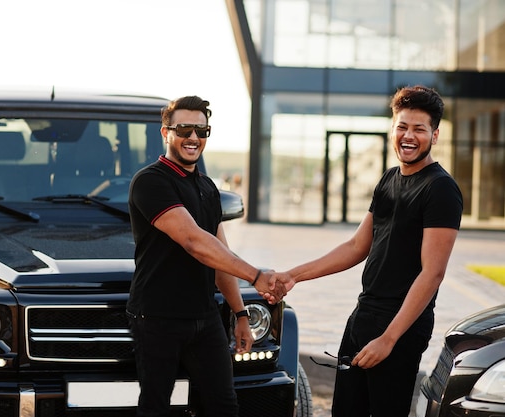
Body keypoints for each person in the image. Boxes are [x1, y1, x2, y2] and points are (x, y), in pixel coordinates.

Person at [276, 85, 463, 416]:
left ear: (434, 135)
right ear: (393, 130)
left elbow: (432, 273)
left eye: (419, 129)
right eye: (402, 126)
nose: (408, 135)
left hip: (401, 324)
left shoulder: (441, 189)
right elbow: (356, 246)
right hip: (364, 314)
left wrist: (389, 339)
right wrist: (293, 276)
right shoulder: (389, 179)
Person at [126, 95, 288, 417]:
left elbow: (219, 255)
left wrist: (239, 314)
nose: (193, 138)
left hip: (205, 318)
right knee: (156, 407)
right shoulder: (150, 181)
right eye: (184, 129)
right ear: (166, 132)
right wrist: (256, 277)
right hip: (158, 318)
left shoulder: (208, 187)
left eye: (201, 131)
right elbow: (194, 241)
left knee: (224, 405)